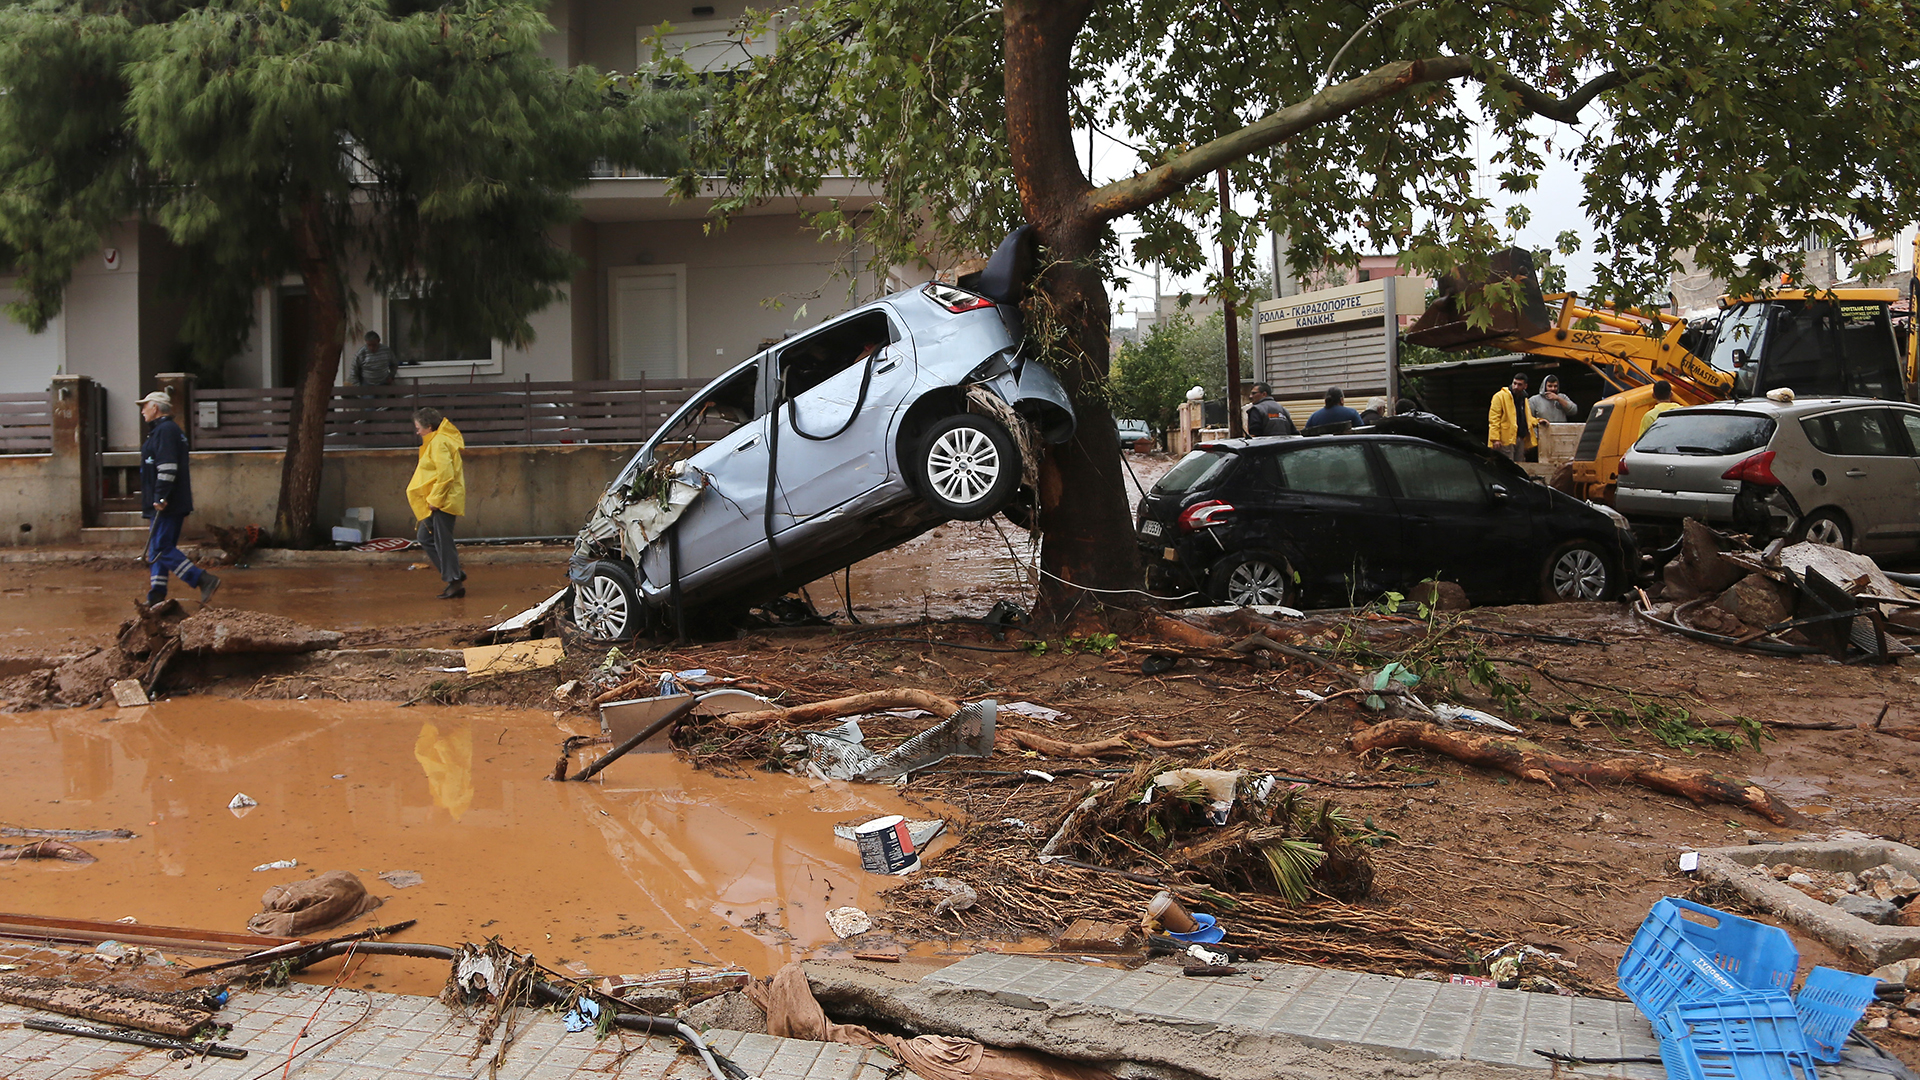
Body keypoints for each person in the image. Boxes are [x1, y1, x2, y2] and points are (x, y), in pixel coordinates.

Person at [138, 391, 220, 606]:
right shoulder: (164, 431)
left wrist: (160, 496)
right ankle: (156, 595)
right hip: (165, 501)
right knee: (158, 549)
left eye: (145, 406)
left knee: (161, 548)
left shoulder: (165, 431)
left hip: (166, 503)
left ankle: (202, 579)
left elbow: (167, 467)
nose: (142, 410)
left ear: (155, 408)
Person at [407, 407, 467, 599]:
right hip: (441, 499)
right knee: (426, 537)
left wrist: (435, 500)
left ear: (429, 427)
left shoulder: (439, 442)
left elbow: (446, 475)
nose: (417, 431)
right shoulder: (437, 440)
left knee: (442, 541)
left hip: (442, 501)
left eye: (418, 427)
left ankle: (454, 581)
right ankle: (454, 574)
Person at [1487, 373, 1536, 461]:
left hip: (1520, 437)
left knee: (1520, 464)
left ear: (1525, 386)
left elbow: (1528, 418)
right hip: (1505, 438)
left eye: (1519, 384)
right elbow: (1494, 418)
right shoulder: (1500, 396)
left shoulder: (1524, 399)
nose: (1516, 387)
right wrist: (1495, 439)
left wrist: (1539, 421)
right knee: (1507, 464)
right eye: (1514, 383)